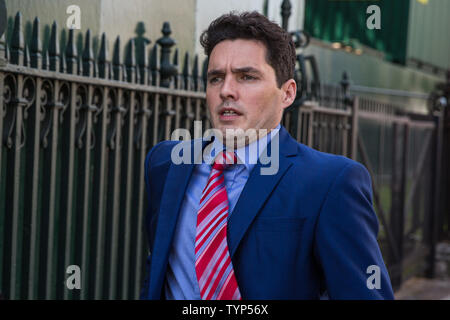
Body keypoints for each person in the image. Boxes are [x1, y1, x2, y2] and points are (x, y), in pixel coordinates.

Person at [140, 11, 394, 300]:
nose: (226, 91)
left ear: (287, 93)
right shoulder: (166, 164)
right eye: (215, 78)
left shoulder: (331, 183)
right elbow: (160, 268)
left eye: (247, 77)